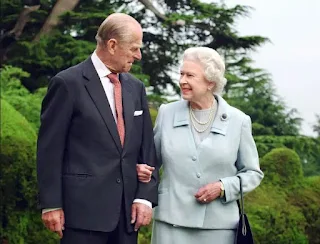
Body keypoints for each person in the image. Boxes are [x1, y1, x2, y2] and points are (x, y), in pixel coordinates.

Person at [36, 13, 159, 244]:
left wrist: (144, 198)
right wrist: (51, 204)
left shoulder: (136, 88)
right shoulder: (67, 83)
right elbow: (49, 150)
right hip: (82, 214)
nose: (138, 55)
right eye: (134, 48)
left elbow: (147, 148)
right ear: (112, 45)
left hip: (127, 216)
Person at [137, 47, 264, 244]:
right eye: (181, 74)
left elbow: (252, 173)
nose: (182, 81)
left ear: (210, 83)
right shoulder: (166, 113)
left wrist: (223, 187)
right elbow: (151, 162)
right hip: (171, 224)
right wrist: (141, 169)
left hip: (219, 228)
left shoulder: (238, 121)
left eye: (190, 75)